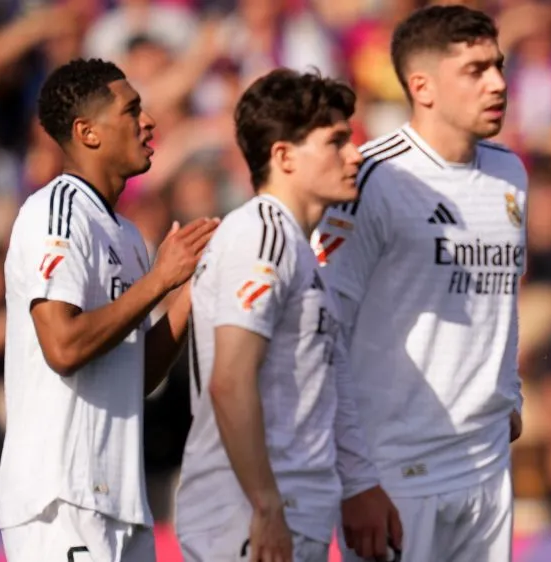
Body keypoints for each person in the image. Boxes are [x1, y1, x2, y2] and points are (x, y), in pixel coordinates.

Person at [313, 5, 526, 562]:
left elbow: (498, 299)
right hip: (398, 469)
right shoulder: (372, 179)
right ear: (422, 86)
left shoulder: (510, 172)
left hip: (488, 464)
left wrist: (511, 392)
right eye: (476, 70)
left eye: (498, 65)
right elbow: (325, 328)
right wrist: (356, 477)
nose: (498, 83)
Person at [175, 67, 400, 562]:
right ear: (283, 156)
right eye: (336, 141)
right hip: (251, 518)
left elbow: (324, 383)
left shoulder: (298, 249)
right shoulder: (263, 234)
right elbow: (229, 380)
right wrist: (265, 503)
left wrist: (359, 482)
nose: (355, 154)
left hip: (292, 511)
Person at [0, 58, 217, 562]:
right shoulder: (54, 212)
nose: (149, 122)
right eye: (132, 110)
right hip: (61, 500)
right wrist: (160, 279)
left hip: (120, 500)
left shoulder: (127, 236)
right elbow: (63, 345)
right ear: (87, 132)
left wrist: (188, 288)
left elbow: (136, 376)